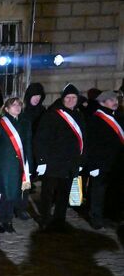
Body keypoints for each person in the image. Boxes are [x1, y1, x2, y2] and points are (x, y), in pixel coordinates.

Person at [34, 84, 85, 232]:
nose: (70, 100)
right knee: (48, 194)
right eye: (68, 97)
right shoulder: (51, 115)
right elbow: (41, 139)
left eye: (73, 97)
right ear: (62, 98)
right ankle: (45, 219)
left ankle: (59, 220)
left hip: (70, 162)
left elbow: (84, 140)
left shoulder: (79, 116)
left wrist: (81, 160)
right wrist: (42, 160)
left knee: (64, 194)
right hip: (53, 162)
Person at [0, 97, 32, 233]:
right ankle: (0, 220)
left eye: (19, 105)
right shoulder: (0, 123)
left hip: (19, 164)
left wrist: (29, 164)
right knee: (3, 193)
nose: (17, 107)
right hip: (3, 165)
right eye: (14, 105)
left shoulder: (25, 123)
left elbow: (28, 145)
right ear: (6, 109)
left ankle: (9, 220)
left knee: (14, 193)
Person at [84, 90, 123, 229]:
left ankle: (110, 216)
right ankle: (96, 218)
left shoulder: (118, 116)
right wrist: (93, 165)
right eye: (111, 100)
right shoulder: (96, 119)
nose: (115, 102)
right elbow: (91, 145)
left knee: (112, 191)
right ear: (102, 102)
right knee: (98, 192)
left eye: (116, 99)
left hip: (116, 163)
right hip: (101, 163)